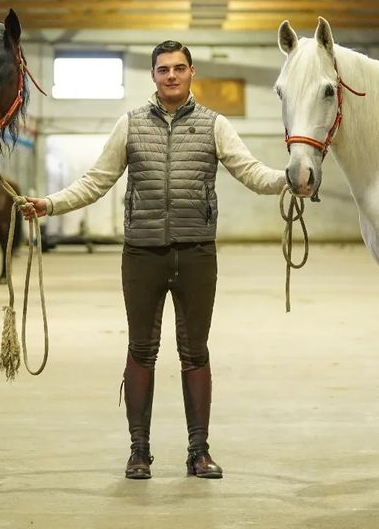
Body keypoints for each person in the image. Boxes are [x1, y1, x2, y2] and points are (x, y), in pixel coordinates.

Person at [21, 41, 285, 480]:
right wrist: (50, 205)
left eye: (179, 68)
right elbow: (96, 180)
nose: (172, 76)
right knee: (141, 350)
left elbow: (252, 172)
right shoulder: (130, 125)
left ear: (192, 72)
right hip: (142, 254)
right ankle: (138, 452)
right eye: (164, 69)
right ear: (153, 76)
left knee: (194, 351)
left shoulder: (215, 126)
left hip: (196, 252)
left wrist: (289, 180)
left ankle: (198, 452)